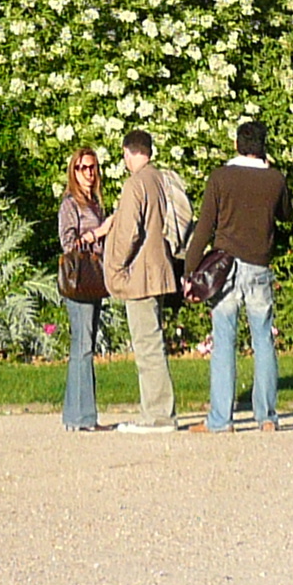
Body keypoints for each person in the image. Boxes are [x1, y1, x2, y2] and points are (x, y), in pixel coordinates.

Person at [186, 117, 293, 432]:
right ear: (263, 147)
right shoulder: (275, 179)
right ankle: (267, 417)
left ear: (237, 144)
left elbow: (205, 226)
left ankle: (221, 419)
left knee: (224, 340)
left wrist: (191, 269)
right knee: (263, 339)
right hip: (259, 266)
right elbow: (286, 214)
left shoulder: (220, 177)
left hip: (226, 267)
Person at [99, 128, 186, 433]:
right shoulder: (161, 179)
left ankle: (158, 415)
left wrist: (115, 267)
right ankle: (159, 411)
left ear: (127, 152)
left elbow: (128, 232)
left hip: (140, 275)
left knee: (148, 346)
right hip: (161, 268)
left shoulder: (135, 184)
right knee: (154, 342)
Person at [56, 146, 111, 431]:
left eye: (92, 167)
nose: (88, 173)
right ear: (73, 172)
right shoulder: (71, 204)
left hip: (95, 280)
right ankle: (83, 417)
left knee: (84, 345)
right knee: (83, 346)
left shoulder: (95, 203)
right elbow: (68, 245)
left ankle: (75, 416)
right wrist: (98, 233)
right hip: (78, 279)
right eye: (82, 168)